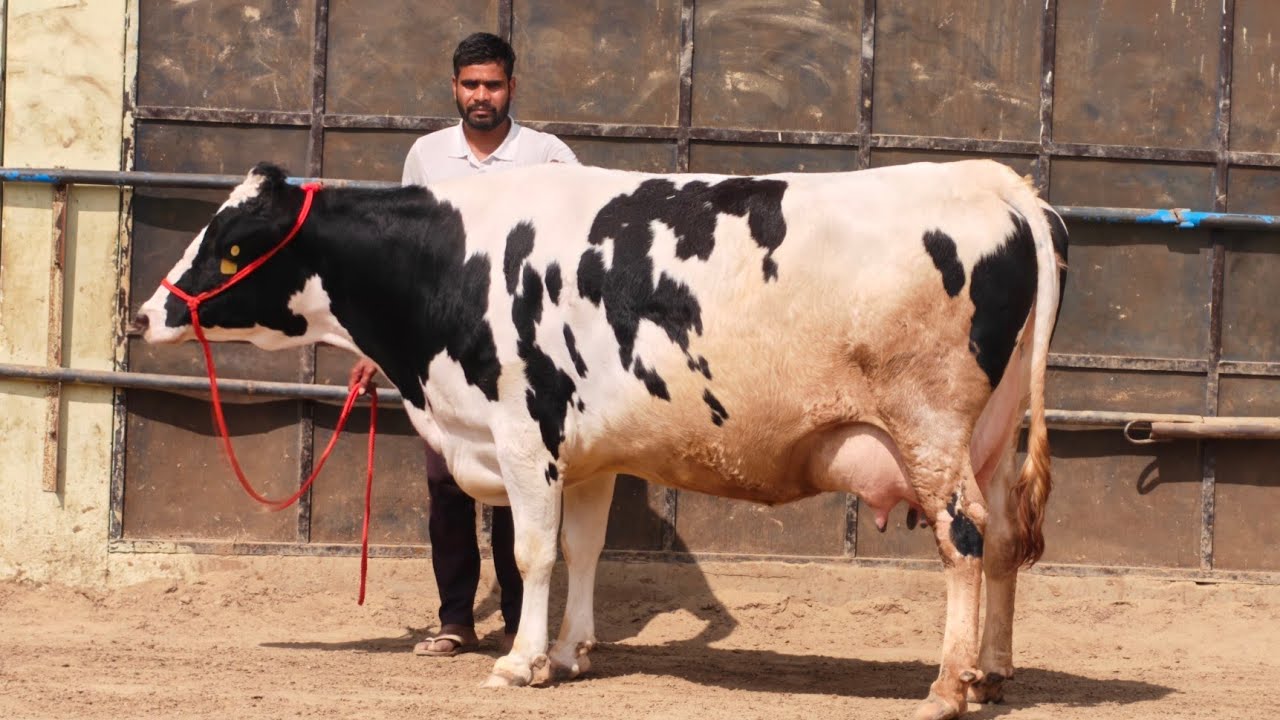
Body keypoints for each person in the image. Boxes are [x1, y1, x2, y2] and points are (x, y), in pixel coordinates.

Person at [348, 31, 578, 658]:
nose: (482, 96)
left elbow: (577, 248)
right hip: (442, 349)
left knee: (516, 481)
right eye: (471, 85)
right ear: (454, 86)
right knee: (448, 480)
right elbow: (406, 260)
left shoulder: (549, 156)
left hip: (522, 352)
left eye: (493, 85)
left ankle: (515, 619)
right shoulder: (427, 157)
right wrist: (378, 343)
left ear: (512, 86)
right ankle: (455, 620)